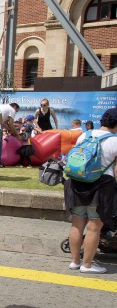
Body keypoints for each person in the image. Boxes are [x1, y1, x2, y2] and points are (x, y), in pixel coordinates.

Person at [65, 108, 117, 274]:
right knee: (94, 227)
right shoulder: (114, 141)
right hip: (102, 186)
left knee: (77, 223)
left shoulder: (84, 136)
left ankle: (75, 261)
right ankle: (87, 265)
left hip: (78, 184)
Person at [0, 102, 21, 168]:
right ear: (15, 107)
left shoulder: (1, 106)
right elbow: (11, 124)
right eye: (16, 111)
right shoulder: (12, 110)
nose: (15, 113)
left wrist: (8, 129)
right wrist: (17, 135)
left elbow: (3, 123)